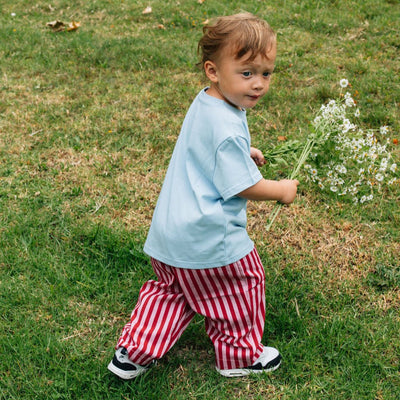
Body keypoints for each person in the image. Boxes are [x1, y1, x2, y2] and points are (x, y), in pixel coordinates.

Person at [108, 12, 299, 380]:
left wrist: (245, 152)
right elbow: (242, 186)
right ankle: (239, 356)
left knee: (175, 291)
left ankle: (132, 354)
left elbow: (208, 147)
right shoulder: (227, 126)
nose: (258, 83)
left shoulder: (207, 102)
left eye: (266, 73)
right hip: (211, 240)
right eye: (247, 73)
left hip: (169, 235)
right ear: (213, 71)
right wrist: (281, 190)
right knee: (243, 284)